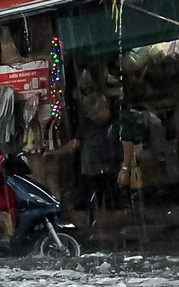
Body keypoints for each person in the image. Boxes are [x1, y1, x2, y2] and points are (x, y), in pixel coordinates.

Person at [46, 93, 134, 222]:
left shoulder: (118, 122)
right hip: (90, 172)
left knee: (113, 207)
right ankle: (84, 228)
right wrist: (55, 152)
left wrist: (125, 168)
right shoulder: (87, 124)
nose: (93, 117)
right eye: (90, 114)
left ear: (104, 108)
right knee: (80, 206)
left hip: (111, 172)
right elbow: (75, 144)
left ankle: (113, 229)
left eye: (95, 113)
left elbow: (127, 144)